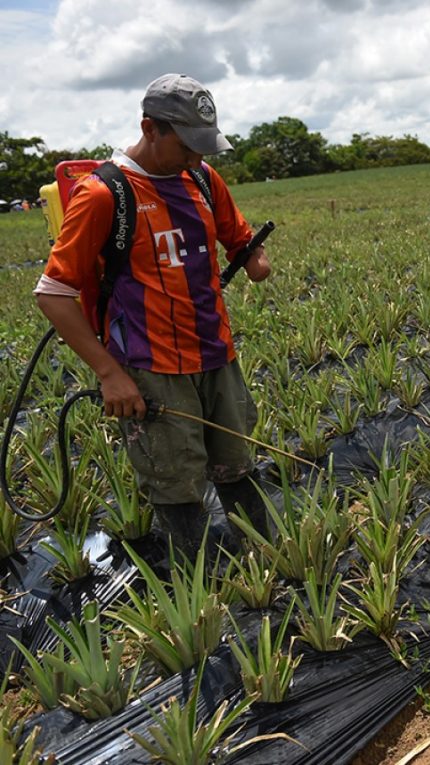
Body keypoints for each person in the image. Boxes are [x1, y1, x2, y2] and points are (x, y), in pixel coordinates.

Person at [34, 73, 272, 559]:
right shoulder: (105, 195)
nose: (196, 158)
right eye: (186, 146)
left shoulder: (202, 179)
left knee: (237, 466)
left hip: (217, 354)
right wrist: (110, 374)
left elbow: (240, 239)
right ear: (150, 128)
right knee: (175, 484)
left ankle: (263, 564)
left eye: (203, 147)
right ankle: (202, 588)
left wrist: (254, 259)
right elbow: (53, 294)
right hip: (152, 368)